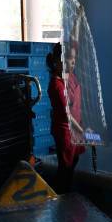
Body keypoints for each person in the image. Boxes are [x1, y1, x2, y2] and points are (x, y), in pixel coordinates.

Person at [46, 42, 85, 194]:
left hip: (74, 129)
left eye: (74, 59)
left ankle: (62, 190)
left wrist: (78, 20)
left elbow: (75, 42)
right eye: (69, 59)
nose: (73, 62)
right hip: (65, 132)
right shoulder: (57, 85)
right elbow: (67, 113)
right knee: (66, 166)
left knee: (73, 161)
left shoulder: (70, 77)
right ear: (57, 62)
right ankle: (60, 193)